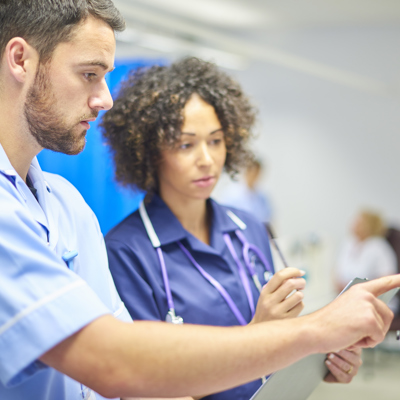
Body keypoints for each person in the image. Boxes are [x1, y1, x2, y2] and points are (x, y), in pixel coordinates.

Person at [0, 1, 399, 400]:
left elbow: (141, 382)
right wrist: (312, 331)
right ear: (20, 59)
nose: (105, 99)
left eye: (215, 141)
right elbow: (115, 363)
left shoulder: (69, 205)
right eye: (89, 74)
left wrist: (305, 355)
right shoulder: (118, 247)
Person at [101, 57, 360, 400]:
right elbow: (145, 387)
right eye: (185, 144)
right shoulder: (126, 251)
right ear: (150, 153)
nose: (207, 159)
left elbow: (278, 345)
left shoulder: (249, 228)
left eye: (216, 141)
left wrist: (321, 354)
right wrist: (257, 335)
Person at [335, 210, 397, 293]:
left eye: (359, 222)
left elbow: (387, 278)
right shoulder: (349, 243)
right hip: (348, 295)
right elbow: (338, 272)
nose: (354, 224)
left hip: (372, 296)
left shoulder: (378, 246)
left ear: (369, 226)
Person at [218, 158, 273, 225]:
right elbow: (227, 217)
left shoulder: (262, 196)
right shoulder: (232, 194)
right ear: (247, 172)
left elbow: (267, 218)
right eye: (253, 172)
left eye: (257, 173)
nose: (255, 176)